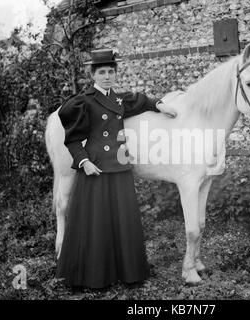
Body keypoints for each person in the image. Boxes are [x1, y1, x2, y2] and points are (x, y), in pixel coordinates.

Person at [56, 49, 176, 289]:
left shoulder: (119, 99)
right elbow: (72, 139)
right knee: (96, 224)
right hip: (95, 169)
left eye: (111, 72)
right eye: (102, 72)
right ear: (93, 74)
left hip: (120, 165)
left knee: (122, 221)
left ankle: (128, 273)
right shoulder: (83, 101)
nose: (108, 76)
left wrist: (160, 104)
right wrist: (84, 161)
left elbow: (140, 100)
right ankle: (95, 276)